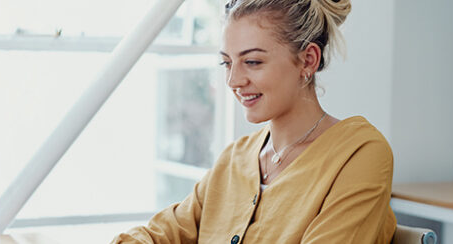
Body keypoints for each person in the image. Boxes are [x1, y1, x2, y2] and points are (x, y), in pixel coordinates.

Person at [111, 0, 396, 243]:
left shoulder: (360, 154)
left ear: (308, 60)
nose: (234, 80)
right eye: (227, 63)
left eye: (253, 62)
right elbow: (160, 234)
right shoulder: (235, 158)